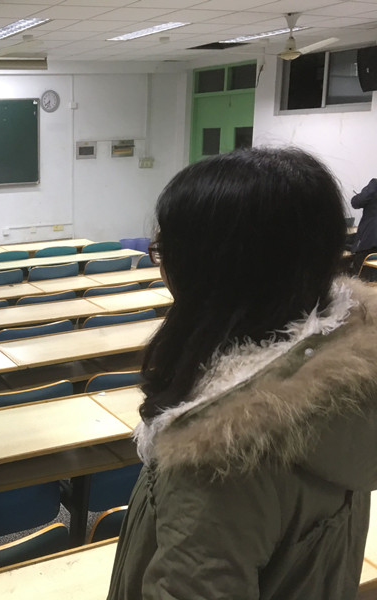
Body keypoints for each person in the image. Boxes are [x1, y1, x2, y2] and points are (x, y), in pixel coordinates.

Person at [108, 147, 377, 600]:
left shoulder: (219, 455)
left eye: (165, 250)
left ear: (215, 269)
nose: (162, 264)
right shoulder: (348, 389)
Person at [349, 178, 377, 275]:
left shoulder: (374, 184)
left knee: (360, 276)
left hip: (370, 240)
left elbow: (356, 202)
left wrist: (359, 196)